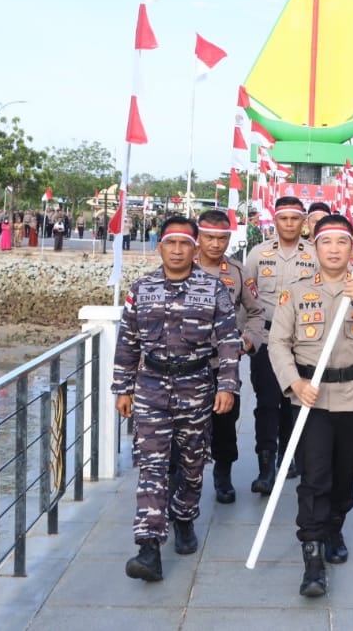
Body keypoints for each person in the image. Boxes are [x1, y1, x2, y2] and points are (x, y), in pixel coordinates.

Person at [268, 213, 353, 597]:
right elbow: (278, 343)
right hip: (311, 398)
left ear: (352, 247)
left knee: (346, 474)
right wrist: (294, 382)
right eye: (326, 242)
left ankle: (335, 525)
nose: (334, 249)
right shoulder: (295, 290)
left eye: (342, 242)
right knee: (314, 478)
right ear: (316, 246)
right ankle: (312, 558)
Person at [112, 215, 242, 582]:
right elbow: (127, 341)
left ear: (195, 246)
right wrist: (123, 388)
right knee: (151, 467)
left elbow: (229, 341)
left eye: (185, 243)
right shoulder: (142, 288)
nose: (177, 250)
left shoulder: (212, 288)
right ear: (160, 247)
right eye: (171, 243)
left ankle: (184, 518)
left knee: (191, 462)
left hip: (196, 385)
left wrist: (227, 386)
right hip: (151, 386)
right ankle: (148, 547)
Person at [193, 209, 264, 505]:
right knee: (186, 428)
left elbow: (258, 312)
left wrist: (249, 341)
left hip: (223, 364)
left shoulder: (237, 272)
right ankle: (182, 482)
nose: (215, 244)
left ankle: (223, 475)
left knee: (225, 423)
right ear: (198, 236)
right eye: (209, 237)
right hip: (184, 366)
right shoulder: (182, 266)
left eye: (222, 238)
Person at [248, 196, 318, 493]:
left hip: (302, 343)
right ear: (274, 221)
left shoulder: (315, 255)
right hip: (265, 340)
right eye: (283, 218)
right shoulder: (258, 254)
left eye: (294, 218)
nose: (289, 224)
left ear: (303, 221)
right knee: (267, 404)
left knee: (294, 402)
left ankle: (286, 456)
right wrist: (246, 338)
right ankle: (265, 468)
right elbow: (246, 300)